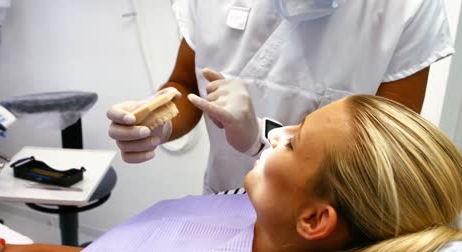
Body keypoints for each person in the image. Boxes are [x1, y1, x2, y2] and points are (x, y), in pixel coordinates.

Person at [0, 95, 462, 252]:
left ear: (316, 219)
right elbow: (131, 251)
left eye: (296, 142)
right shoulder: (244, 206)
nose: (276, 132)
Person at [107, 0, 454, 194]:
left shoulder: (407, 7)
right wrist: (158, 120)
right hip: (222, 202)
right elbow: (184, 84)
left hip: (332, 215)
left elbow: (386, 151)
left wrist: (261, 138)